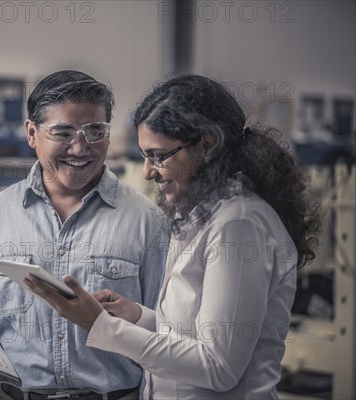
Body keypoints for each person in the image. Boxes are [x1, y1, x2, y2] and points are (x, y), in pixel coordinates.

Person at [26, 74, 320, 399]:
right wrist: (137, 316)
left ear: (207, 144)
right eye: (144, 156)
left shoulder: (239, 224)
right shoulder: (201, 214)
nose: (148, 172)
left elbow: (218, 366)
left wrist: (103, 328)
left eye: (159, 156)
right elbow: (191, 336)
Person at [0, 70, 170, 399]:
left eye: (95, 131)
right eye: (63, 133)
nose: (80, 148)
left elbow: (171, 327)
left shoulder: (148, 222)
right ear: (32, 133)